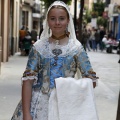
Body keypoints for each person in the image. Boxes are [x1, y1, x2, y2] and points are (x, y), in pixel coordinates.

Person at [11, 1, 99, 120]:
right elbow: (27, 82)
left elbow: (91, 81)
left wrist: (70, 86)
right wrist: (27, 114)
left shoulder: (76, 48)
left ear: (68, 20)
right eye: (53, 18)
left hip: (65, 105)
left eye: (61, 18)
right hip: (38, 106)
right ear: (47, 21)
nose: (57, 22)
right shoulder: (38, 47)